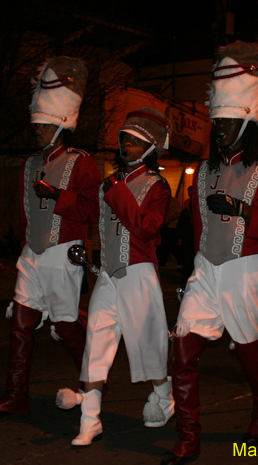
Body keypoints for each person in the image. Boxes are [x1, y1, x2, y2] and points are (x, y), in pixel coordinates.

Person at [163, 42, 258, 465]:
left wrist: (241, 210)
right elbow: (196, 232)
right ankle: (188, 436)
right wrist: (189, 268)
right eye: (216, 120)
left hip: (245, 272)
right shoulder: (202, 170)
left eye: (227, 120)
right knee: (182, 348)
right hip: (205, 272)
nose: (218, 127)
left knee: (251, 350)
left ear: (247, 120)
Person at [0, 57, 101, 422]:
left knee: (65, 326)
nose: (37, 131)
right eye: (36, 124)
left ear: (61, 124)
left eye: (44, 125)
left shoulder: (82, 163)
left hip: (63, 254)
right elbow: (25, 214)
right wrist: (23, 248)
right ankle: (16, 395)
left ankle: (95, 383)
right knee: (20, 321)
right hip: (32, 254)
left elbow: (91, 210)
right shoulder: (29, 164)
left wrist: (56, 197)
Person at [56, 107, 174, 446]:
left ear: (150, 148)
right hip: (108, 275)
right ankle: (90, 421)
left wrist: (116, 191)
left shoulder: (157, 185)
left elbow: (145, 228)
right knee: (96, 344)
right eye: (124, 140)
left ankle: (164, 396)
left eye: (135, 142)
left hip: (139, 274)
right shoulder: (111, 182)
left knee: (148, 347)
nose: (126, 146)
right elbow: (88, 213)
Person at [156, 193, 182, 268]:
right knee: (164, 245)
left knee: (172, 245)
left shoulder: (174, 201)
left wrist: (170, 219)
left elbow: (179, 213)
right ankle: (162, 263)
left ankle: (179, 261)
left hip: (172, 226)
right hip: (164, 226)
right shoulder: (161, 201)